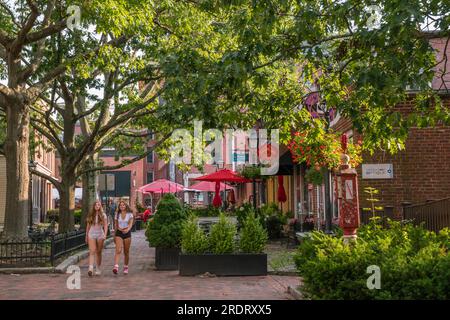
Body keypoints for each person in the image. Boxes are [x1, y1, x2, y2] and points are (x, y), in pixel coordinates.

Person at [85, 200, 108, 277]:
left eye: (98, 205)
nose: (97, 206)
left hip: (100, 235)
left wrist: (105, 234)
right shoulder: (90, 215)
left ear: (100, 206)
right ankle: (90, 268)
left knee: (98, 252)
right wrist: (86, 236)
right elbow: (88, 226)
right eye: (96, 205)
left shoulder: (103, 215)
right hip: (91, 234)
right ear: (94, 206)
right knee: (92, 251)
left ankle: (98, 268)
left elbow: (105, 225)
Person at [113, 200, 134, 275]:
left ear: (126, 206)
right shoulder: (117, 214)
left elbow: (131, 223)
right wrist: (114, 234)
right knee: (118, 250)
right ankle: (116, 267)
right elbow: (115, 225)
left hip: (127, 233)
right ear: (119, 207)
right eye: (120, 205)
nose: (122, 206)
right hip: (119, 232)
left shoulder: (129, 214)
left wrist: (127, 229)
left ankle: (126, 266)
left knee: (126, 252)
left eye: (123, 205)